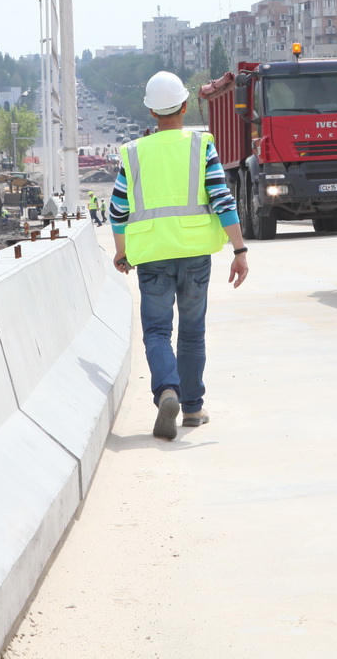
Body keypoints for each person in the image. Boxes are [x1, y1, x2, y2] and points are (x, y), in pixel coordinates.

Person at [108, 71, 250, 440]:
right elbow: (222, 200)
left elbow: (117, 210)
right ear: (185, 106)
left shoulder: (133, 153)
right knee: (192, 332)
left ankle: (167, 391)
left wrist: (122, 252)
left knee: (157, 331)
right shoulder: (201, 147)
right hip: (194, 255)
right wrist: (239, 250)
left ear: (151, 112)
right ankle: (192, 408)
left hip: (152, 256)